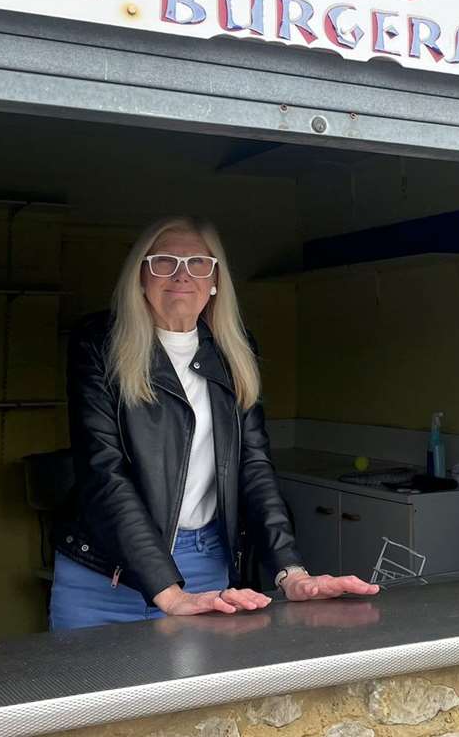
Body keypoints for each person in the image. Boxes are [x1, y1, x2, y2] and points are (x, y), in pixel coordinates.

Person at [51, 215, 378, 627]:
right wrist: (168, 592)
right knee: (91, 690)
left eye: (198, 264)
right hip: (102, 576)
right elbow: (104, 471)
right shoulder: (100, 344)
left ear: (215, 280)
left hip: (204, 564)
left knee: (190, 691)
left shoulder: (233, 352)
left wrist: (291, 572)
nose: (181, 275)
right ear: (141, 275)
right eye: (164, 261)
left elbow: (254, 468)